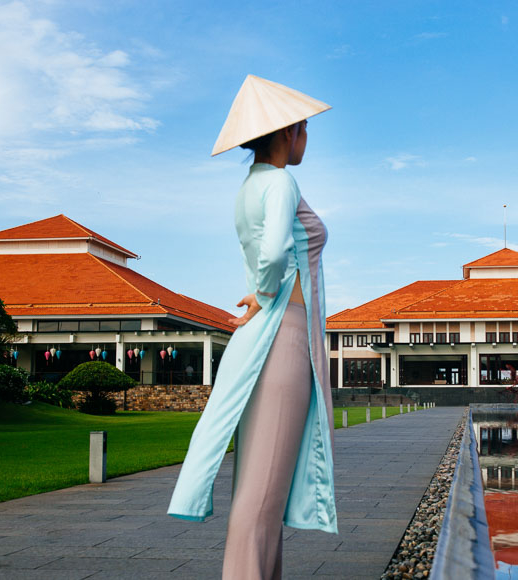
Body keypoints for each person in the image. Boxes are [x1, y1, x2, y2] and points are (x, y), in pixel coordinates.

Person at [167, 75, 338, 578]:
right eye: (304, 129)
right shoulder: (282, 182)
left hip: (269, 337)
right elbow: (274, 251)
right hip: (282, 338)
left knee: (260, 489)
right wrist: (264, 296)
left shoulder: (250, 188)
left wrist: (261, 293)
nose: (306, 139)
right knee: (263, 496)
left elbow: (266, 250)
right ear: (289, 133)